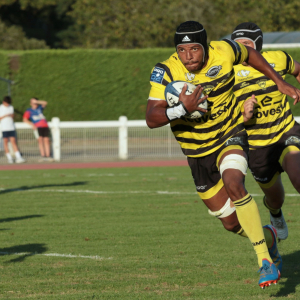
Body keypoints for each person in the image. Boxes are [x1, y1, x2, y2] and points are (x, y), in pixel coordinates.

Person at [146, 21, 300, 288]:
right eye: (182, 50)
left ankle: (264, 261)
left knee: (234, 184)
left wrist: (279, 82)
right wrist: (181, 108)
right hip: (197, 153)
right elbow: (151, 117)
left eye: (194, 48)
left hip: (229, 135)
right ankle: (269, 238)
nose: (188, 56)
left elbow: (251, 55)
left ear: (205, 46)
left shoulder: (225, 50)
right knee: (230, 223)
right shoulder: (165, 70)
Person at [231, 22, 300, 242]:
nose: (241, 49)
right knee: (275, 199)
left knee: (298, 177)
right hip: (257, 147)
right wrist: (243, 115)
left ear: (257, 45)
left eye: (246, 44)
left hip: (286, 131)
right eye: (237, 45)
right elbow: (221, 114)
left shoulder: (277, 58)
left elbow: (297, 69)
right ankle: (275, 214)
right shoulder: (226, 73)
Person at [23, 98, 54, 162]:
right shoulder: (29, 111)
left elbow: (45, 102)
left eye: (35, 103)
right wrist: (32, 125)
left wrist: (37, 101)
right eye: (33, 103)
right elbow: (25, 119)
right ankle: (43, 156)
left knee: (46, 140)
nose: (34, 104)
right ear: (30, 103)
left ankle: (48, 156)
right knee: (40, 140)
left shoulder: (39, 108)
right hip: (38, 127)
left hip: (45, 125)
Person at [0, 96, 25, 163]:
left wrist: (11, 115)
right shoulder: (1, 108)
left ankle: (18, 157)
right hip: (4, 128)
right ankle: (9, 158)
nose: (7, 105)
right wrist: (5, 115)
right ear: (3, 102)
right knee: (5, 143)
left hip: (11, 127)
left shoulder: (11, 107)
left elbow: (13, 116)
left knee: (13, 142)